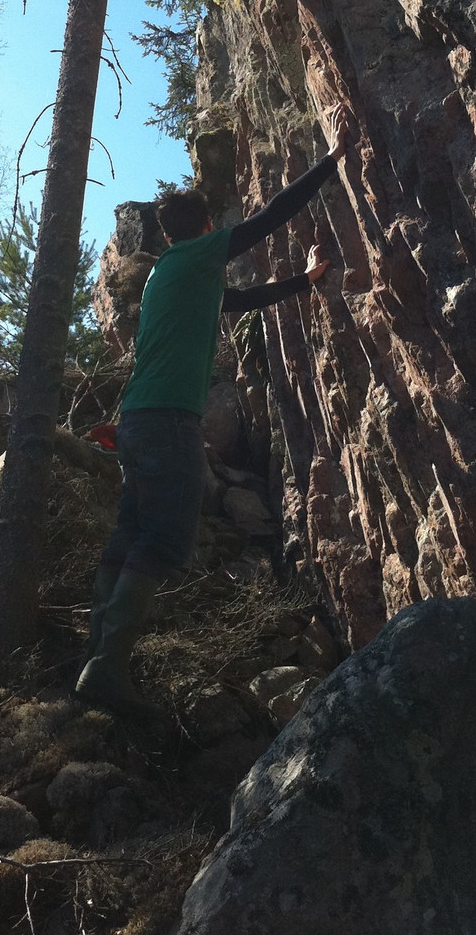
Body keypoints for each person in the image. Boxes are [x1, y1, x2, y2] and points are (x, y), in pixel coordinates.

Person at [76, 106, 350, 716]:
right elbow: (268, 219)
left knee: (129, 533)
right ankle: (108, 665)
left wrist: (303, 282)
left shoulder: (168, 274)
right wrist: (331, 159)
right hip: (168, 421)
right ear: (203, 227)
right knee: (165, 540)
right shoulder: (198, 256)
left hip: (136, 423)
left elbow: (237, 300)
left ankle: (97, 655)